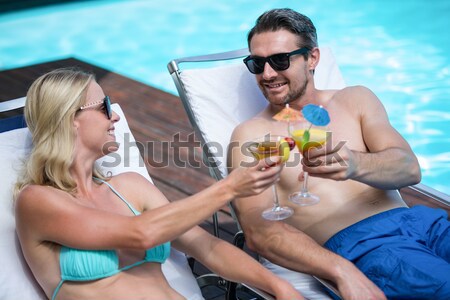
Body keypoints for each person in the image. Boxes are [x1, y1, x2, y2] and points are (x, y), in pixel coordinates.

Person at [14, 68, 304, 300]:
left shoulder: (129, 187)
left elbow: (207, 247)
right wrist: (229, 187)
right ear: (70, 119)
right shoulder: (37, 201)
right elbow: (141, 234)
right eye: (104, 106)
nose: (114, 115)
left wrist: (281, 288)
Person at [228, 8, 450, 300]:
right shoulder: (251, 135)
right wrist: (341, 270)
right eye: (257, 64)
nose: (268, 74)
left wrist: (355, 164)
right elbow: (260, 232)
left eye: (280, 60)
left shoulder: (354, 99)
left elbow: (409, 169)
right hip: (364, 246)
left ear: (312, 58)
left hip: (424, 223)